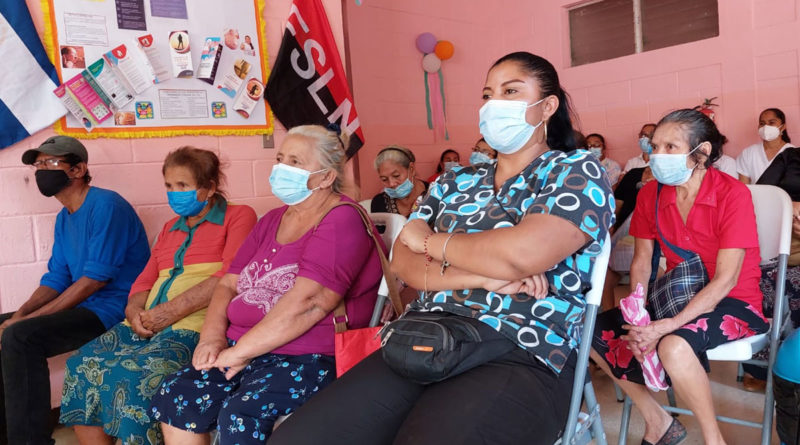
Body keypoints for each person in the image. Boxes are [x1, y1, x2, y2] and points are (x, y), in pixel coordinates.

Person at [269, 51, 615, 445]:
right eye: (488, 94)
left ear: (548, 106)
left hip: (524, 344)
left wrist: (432, 243)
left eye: (510, 91)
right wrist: (486, 274)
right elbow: (403, 262)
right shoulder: (456, 181)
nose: (493, 104)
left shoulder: (576, 170)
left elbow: (523, 254)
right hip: (424, 334)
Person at [150, 125, 383, 445]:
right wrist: (212, 336)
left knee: (239, 414)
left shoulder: (341, 218)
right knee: (177, 393)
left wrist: (241, 353)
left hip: (309, 355)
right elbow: (228, 284)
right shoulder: (273, 219)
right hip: (242, 348)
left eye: (296, 162)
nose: (282, 168)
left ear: (326, 177)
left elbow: (310, 303)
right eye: (280, 158)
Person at [592, 109, 769, 445]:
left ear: (700, 153)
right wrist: (639, 314)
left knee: (674, 345)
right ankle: (657, 420)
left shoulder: (732, 194)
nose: (657, 155)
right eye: (654, 145)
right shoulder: (650, 194)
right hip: (679, 294)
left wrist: (668, 325)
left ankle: (714, 439)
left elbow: (727, 279)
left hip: (735, 301)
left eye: (670, 147)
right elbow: (643, 260)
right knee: (593, 332)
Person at [58, 147, 257, 445]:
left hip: (193, 326)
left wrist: (168, 313)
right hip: (148, 323)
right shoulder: (169, 228)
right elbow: (143, 281)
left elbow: (231, 277)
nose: (174, 193)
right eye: (168, 185)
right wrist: (134, 313)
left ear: (210, 187)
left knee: (132, 376)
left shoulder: (238, 216)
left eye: (183, 186)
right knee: (81, 364)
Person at [2, 136, 150, 445]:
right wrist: (19, 314)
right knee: (7, 327)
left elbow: (95, 280)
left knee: (20, 336)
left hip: (112, 310)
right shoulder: (63, 218)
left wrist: (24, 323)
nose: (42, 170)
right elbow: (57, 278)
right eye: (38, 164)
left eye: (51, 163)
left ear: (78, 169)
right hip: (86, 305)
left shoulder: (106, 205)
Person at [737, 107, 793, 184]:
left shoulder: (793, 153)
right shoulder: (748, 153)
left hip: (783, 196)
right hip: (755, 196)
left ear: (783, 127)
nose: (766, 127)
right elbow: (743, 187)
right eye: (762, 123)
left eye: (771, 122)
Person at [370, 145, 428, 216]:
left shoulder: (435, 194)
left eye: (396, 176)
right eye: (384, 179)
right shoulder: (379, 202)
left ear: (411, 169)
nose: (391, 184)